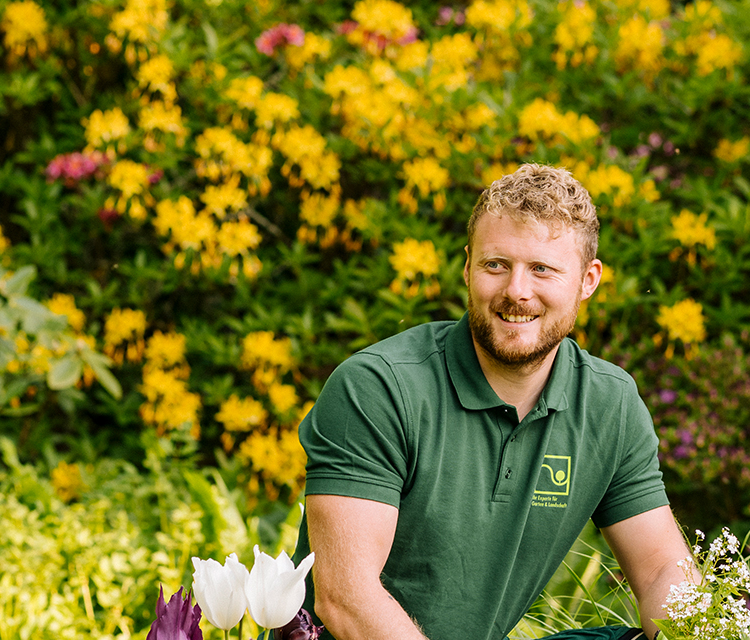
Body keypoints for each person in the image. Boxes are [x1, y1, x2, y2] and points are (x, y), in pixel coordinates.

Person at [292, 164, 692, 640]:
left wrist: (696, 632)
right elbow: (346, 600)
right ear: (467, 267)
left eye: (542, 269)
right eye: (495, 265)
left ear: (588, 280)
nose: (516, 291)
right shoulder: (378, 387)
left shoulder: (610, 404)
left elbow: (661, 570)